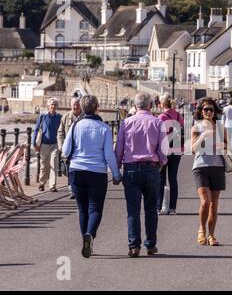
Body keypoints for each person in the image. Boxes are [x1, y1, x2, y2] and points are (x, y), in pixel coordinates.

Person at [62, 95, 121, 258]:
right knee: (95, 208)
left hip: (76, 170)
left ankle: (85, 239)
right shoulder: (104, 128)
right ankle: (90, 234)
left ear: (81, 107)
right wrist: (116, 174)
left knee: (82, 209)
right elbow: (109, 155)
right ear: (97, 107)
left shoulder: (75, 126)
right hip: (97, 172)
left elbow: (65, 150)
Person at [115, 92, 167, 258]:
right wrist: (160, 163)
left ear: (136, 106)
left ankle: (134, 245)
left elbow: (119, 149)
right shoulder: (158, 123)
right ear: (150, 105)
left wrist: (117, 169)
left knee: (133, 210)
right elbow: (163, 150)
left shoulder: (126, 123)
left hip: (130, 169)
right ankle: (150, 245)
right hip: (151, 168)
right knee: (151, 209)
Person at [191, 97, 227, 246]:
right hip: (201, 166)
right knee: (205, 201)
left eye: (211, 109)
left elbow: (227, 145)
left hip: (217, 166)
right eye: (206, 109)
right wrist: (204, 136)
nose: (209, 112)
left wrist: (220, 144)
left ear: (215, 111)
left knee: (214, 204)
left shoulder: (220, 126)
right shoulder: (196, 127)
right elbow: (193, 149)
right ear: (201, 111)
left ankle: (211, 235)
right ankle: (201, 230)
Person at [157, 94, 184, 215]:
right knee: (173, 179)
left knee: (161, 179)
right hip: (177, 149)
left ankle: (159, 207)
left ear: (162, 104)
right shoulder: (178, 115)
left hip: (165, 150)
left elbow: (159, 135)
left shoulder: (162, 117)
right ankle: (173, 208)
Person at [32, 98, 62, 192]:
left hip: (55, 144)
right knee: (44, 165)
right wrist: (34, 143)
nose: (53, 106)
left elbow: (62, 131)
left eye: (55, 104)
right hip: (44, 144)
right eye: (51, 104)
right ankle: (42, 183)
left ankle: (52, 186)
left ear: (57, 106)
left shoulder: (59, 117)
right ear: (48, 106)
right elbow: (36, 130)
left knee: (54, 164)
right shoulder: (42, 117)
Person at [57, 98, 84, 199]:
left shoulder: (85, 116)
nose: (75, 107)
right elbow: (60, 133)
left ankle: (79, 189)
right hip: (69, 149)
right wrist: (61, 147)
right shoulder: (66, 117)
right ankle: (72, 190)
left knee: (80, 170)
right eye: (73, 105)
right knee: (69, 171)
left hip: (80, 148)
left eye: (77, 104)